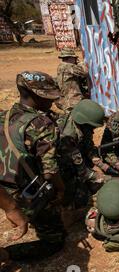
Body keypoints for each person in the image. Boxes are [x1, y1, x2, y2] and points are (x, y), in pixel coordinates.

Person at [0, 71, 66, 261]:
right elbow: (50, 171)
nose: (52, 102)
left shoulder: (6, 115)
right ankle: (7, 254)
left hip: (7, 188)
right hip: (30, 191)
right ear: (33, 95)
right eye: (48, 97)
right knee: (55, 241)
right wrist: (60, 191)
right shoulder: (42, 124)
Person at [56, 99, 106, 209]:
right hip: (59, 168)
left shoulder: (80, 124)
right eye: (92, 127)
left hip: (74, 158)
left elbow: (88, 145)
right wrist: (104, 178)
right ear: (83, 122)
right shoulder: (67, 136)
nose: (93, 131)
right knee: (82, 198)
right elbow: (83, 172)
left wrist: (101, 164)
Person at [56, 47, 90, 113]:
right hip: (73, 99)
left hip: (65, 98)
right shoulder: (69, 66)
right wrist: (81, 63)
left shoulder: (61, 66)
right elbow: (85, 72)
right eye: (74, 58)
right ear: (70, 58)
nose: (75, 60)